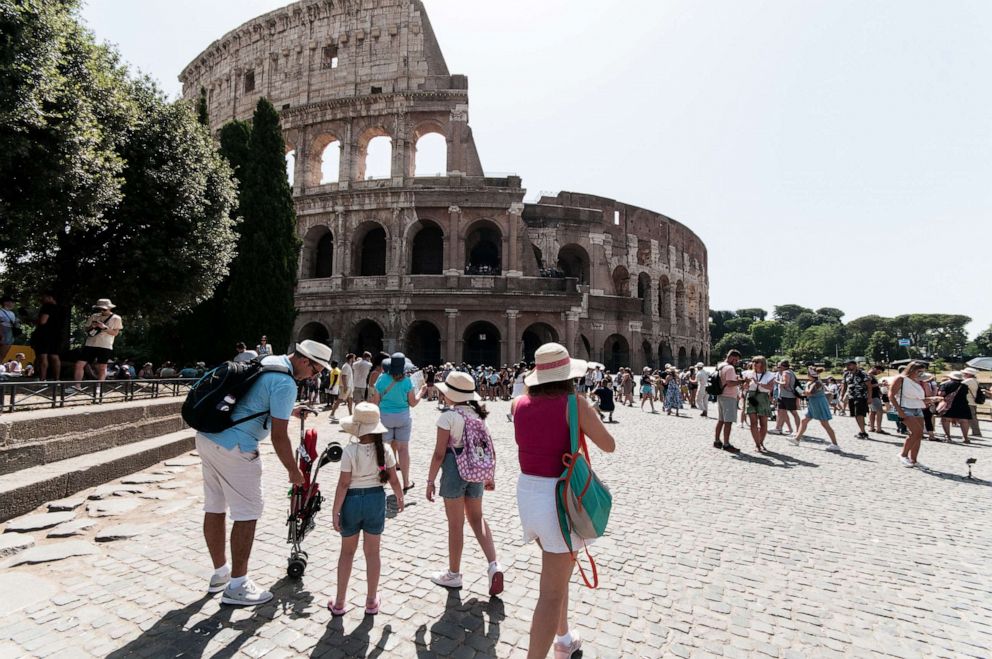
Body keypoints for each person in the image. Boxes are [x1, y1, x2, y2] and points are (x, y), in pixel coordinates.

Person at [197, 339, 331, 605]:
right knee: (247, 513)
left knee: (214, 507)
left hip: (208, 437)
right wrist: (294, 471)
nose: (314, 376)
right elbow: (279, 437)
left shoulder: (269, 361)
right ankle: (238, 585)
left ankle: (220, 574)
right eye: (316, 370)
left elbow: (251, 397)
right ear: (304, 360)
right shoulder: (286, 383)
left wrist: (289, 410)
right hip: (237, 447)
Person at [510, 343, 615, 659]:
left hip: (529, 495)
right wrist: (586, 414)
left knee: (558, 570)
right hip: (558, 500)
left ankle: (565, 639)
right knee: (550, 594)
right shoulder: (575, 404)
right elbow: (608, 445)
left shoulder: (518, 404)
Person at [425, 371, 503, 595]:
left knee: (456, 524)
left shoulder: (448, 417)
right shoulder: (477, 417)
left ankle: (454, 574)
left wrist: (430, 480)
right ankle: (494, 564)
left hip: (453, 470)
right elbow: (486, 449)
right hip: (475, 471)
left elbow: (439, 453)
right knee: (477, 519)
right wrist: (489, 475)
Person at [328, 402, 404, 616]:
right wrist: (399, 496)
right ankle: (371, 601)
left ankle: (340, 602)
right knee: (373, 553)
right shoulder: (386, 450)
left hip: (352, 501)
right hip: (375, 500)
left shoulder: (350, 451)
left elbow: (343, 484)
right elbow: (394, 479)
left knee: (347, 553)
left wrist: (335, 510)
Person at [371, 352, 428, 493]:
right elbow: (413, 403)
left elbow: (375, 402)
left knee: (385, 449)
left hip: (385, 418)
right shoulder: (408, 381)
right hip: (403, 417)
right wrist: (421, 392)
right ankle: (406, 482)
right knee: (403, 449)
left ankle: (383, 479)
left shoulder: (381, 379)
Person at [73, 299, 123, 383]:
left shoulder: (116, 318)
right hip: (90, 344)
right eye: (100, 309)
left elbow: (115, 333)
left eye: (104, 309)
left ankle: (99, 387)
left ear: (109, 308)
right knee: (79, 364)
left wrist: (104, 328)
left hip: (105, 345)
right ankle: (77, 386)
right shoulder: (94, 316)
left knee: (102, 367)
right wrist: (92, 326)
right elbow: (86, 329)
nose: (102, 311)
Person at [889, 361, 929, 467]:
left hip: (917, 407)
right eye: (919, 371)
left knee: (918, 435)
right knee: (917, 432)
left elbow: (919, 397)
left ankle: (914, 460)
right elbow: (891, 395)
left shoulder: (917, 381)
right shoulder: (901, 379)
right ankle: (903, 454)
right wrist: (899, 410)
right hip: (905, 407)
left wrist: (931, 399)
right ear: (912, 370)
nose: (921, 374)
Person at [792, 367, 841, 451]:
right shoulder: (813, 382)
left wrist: (802, 391)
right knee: (804, 421)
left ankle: (835, 444)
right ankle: (797, 439)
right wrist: (801, 391)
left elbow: (809, 393)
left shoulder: (817, 383)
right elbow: (806, 393)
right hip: (813, 403)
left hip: (819, 403)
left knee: (825, 424)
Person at [742, 356, 775, 452]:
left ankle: (761, 442)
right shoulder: (747, 373)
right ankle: (757, 444)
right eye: (753, 362)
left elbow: (770, 388)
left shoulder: (770, 375)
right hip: (752, 396)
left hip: (763, 397)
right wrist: (746, 383)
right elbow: (745, 387)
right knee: (753, 422)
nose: (755, 363)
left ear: (763, 363)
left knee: (763, 422)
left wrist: (759, 383)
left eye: (757, 362)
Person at [713, 350, 742, 452]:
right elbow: (730, 383)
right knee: (728, 421)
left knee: (721, 420)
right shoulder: (730, 368)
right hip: (729, 396)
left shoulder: (721, 366)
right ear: (731, 357)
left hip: (721, 395)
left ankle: (717, 440)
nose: (736, 362)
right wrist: (741, 381)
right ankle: (726, 444)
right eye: (736, 360)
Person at [32, 291, 64, 381]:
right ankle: (57, 379)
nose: (42, 299)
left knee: (43, 356)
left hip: (44, 334)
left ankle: (42, 379)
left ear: (50, 297)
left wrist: (33, 320)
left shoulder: (46, 307)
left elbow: (43, 321)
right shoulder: (62, 308)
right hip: (57, 335)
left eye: (43, 297)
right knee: (55, 356)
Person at [939, 371, 972, 444]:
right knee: (964, 421)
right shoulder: (964, 386)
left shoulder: (945, 384)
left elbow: (941, 394)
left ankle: (948, 436)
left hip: (949, 404)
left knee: (946, 420)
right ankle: (965, 437)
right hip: (963, 404)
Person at [840, 359, 871, 439]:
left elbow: (869, 386)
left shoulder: (862, 374)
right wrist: (842, 395)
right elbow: (844, 385)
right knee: (855, 414)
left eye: (849, 365)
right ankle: (862, 431)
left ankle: (863, 432)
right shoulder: (846, 374)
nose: (847, 366)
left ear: (855, 365)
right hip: (851, 397)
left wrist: (869, 397)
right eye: (846, 365)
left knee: (859, 414)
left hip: (860, 396)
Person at [962, 368, 984, 438]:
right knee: (972, 417)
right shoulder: (975, 381)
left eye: (965, 373)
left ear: (969, 374)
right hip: (972, 401)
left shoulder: (968, 381)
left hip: (969, 401)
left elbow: (960, 384)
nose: (964, 375)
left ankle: (976, 432)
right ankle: (976, 432)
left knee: (972, 418)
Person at [867, 366, 886, 434]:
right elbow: (868, 386)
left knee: (872, 411)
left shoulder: (870, 376)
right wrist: (879, 384)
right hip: (873, 396)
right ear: (874, 368)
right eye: (878, 372)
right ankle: (878, 429)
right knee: (879, 411)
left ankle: (872, 428)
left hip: (873, 395)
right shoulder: (868, 376)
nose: (878, 373)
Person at [0, 295, 18, 363]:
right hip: (2, 333)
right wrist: (1, 335)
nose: (14, 304)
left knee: (3, 354)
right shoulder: (0, 311)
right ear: (5, 302)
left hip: (10, 334)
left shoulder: (12, 313)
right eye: (12, 302)